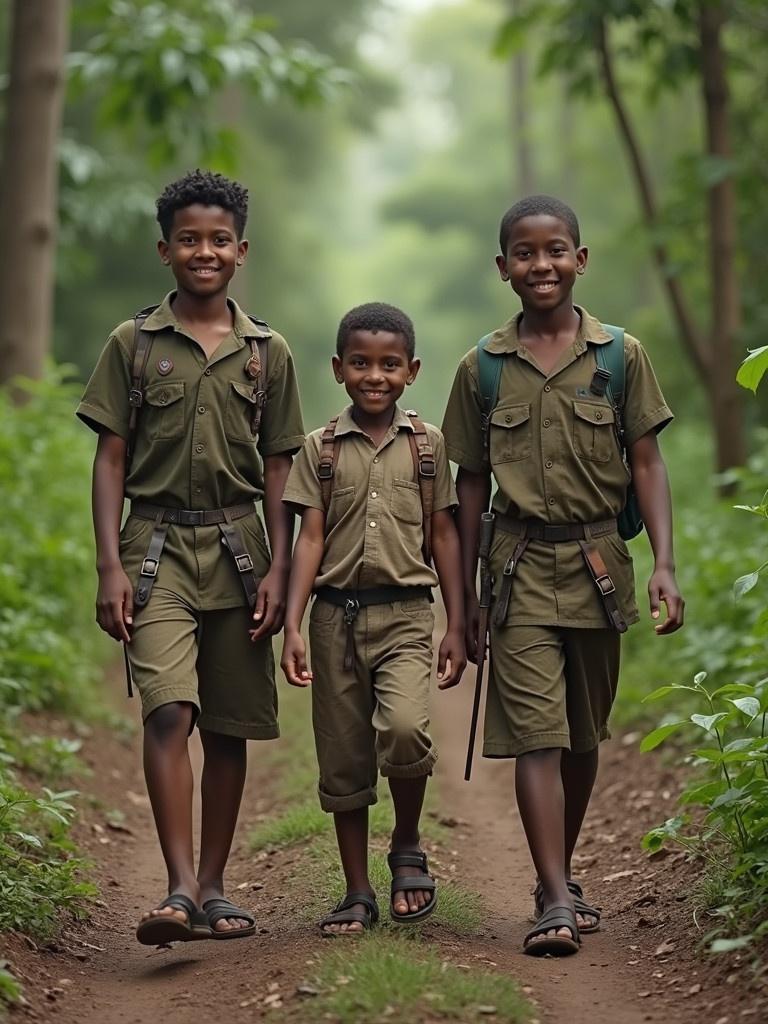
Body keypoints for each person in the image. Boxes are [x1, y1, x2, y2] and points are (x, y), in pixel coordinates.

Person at [441, 195, 684, 956]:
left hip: (598, 565)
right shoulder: (481, 366)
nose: (539, 265)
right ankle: (550, 897)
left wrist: (664, 565)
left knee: (582, 736)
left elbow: (646, 461)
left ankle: (564, 871)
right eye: (524, 252)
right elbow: (469, 485)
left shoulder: (620, 356)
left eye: (555, 251)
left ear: (581, 259)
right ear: (502, 266)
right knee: (537, 737)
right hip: (514, 567)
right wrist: (466, 604)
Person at [77, 169, 304, 945]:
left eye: (217, 240)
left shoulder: (268, 353)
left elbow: (281, 467)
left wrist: (280, 566)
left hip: (242, 549)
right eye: (188, 239)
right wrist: (109, 564)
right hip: (155, 550)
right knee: (169, 708)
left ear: (240, 251)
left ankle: (214, 884)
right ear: (164, 249)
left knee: (230, 724)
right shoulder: (133, 345)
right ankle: (175, 886)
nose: (202, 252)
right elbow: (111, 458)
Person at [280, 302, 466, 935]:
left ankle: (407, 844)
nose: (375, 376)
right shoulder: (320, 448)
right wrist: (293, 625)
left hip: (408, 614)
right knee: (344, 759)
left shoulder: (429, 446)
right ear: (339, 368)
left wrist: (458, 623)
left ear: (411, 370)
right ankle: (357, 890)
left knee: (408, 730)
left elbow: (444, 534)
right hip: (335, 618)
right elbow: (309, 538)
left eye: (390, 364)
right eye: (361, 363)